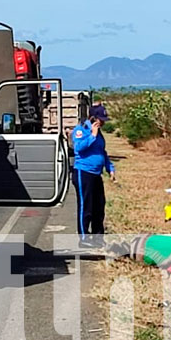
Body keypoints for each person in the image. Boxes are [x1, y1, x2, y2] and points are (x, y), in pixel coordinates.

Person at [71, 103, 116, 248]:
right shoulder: (81, 130)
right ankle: (84, 238)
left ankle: (98, 237)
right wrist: (92, 136)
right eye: (100, 119)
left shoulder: (100, 134)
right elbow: (78, 148)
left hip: (96, 174)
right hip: (83, 172)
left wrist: (110, 168)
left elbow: (102, 152)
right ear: (93, 118)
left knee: (99, 206)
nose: (102, 122)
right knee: (86, 206)